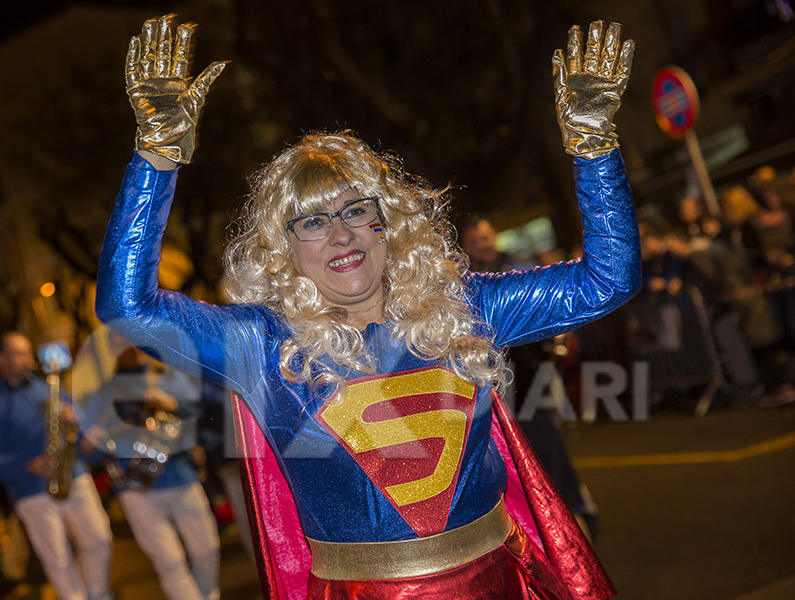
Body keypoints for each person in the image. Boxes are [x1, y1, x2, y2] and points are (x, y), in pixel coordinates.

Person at [97, 14, 639, 600]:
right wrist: (155, 158)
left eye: (356, 210)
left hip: (499, 581)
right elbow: (129, 309)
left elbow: (608, 281)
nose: (340, 234)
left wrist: (594, 148)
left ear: (386, 223)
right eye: (311, 220)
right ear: (284, 250)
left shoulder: (463, 308)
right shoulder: (260, 345)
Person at [457, 213, 600, 541]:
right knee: (508, 458)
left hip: (529, 374)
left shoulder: (518, 269)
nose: (484, 244)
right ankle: (537, 527)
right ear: (467, 246)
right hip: (490, 384)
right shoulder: (467, 285)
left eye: (487, 237)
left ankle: (575, 510)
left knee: (547, 443)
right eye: (476, 241)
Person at [0, 332, 113, 600]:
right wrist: (26, 466)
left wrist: (77, 420)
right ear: (1, 360)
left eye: (28, 352)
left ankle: (98, 594)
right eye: (19, 354)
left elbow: (81, 432)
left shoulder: (50, 386)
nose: (28, 359)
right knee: (57, 559)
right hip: (31, 491)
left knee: (99, 539)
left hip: (73, 475)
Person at [82, 346, 220, 600]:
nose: (133, 349)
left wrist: (173, 406)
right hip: (136, 488)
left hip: (181, 476)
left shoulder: (167, 379)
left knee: (207, 549)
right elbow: (90, 451)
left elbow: (199, 421)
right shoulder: (105, 394)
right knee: (170, 562)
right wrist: (92, 443)